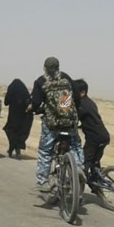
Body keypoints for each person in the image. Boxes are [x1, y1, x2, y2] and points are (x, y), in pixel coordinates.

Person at [27, 57, 83, 192]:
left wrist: (32, 109)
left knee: (45, 150)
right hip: (69, 123)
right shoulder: (67, 78)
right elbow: (77, 97)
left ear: (45, 68)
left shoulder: (41, 81)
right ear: (58, 67)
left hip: (51, 125)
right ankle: (79, 169)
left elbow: (35, 103)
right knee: (75, 145)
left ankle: (42, 181)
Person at [72, 79, 110, 189]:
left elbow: (74, 117)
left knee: (84, 163)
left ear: (82, 92)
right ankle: (96, 185)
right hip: (103, 136)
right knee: (95, 162)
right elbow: (89, 119)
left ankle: (78, 192)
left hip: (94, 138)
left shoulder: (82, 104)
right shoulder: (90, 102)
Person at [2, 78, 34, 158]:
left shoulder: (12, 90)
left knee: (11, 131)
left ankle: (11, 148)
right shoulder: (25, 93)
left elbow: (6, 102)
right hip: (24, 117)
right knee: (19, 133)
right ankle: (17, 150)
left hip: (13, 116)